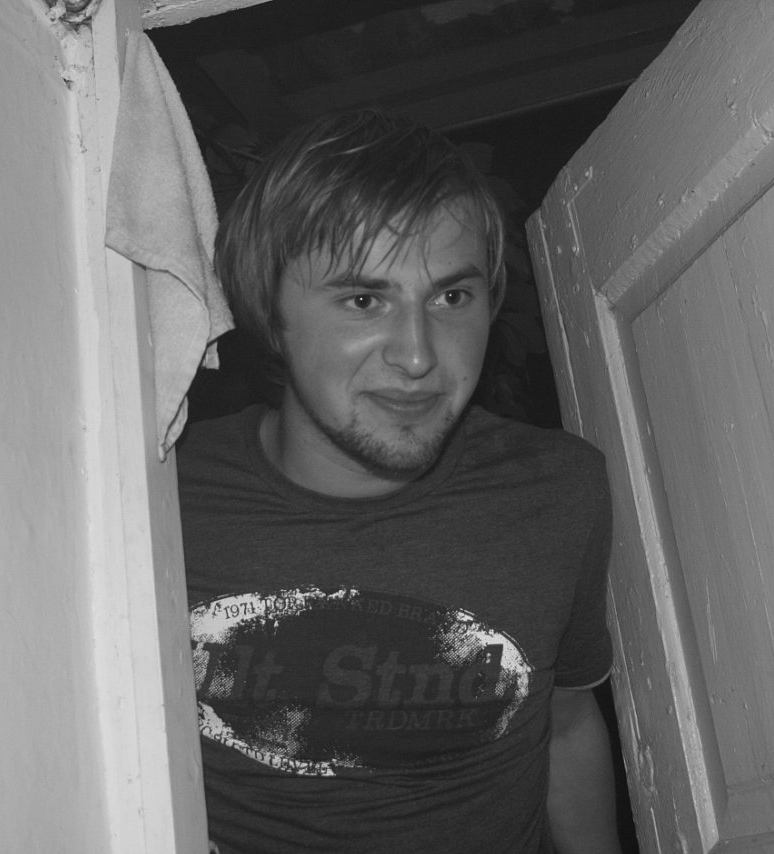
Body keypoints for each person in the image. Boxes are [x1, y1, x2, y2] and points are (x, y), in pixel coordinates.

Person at [178, 108, 622, 854]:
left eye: (452, 297)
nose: (418, 356)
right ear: (270, 313)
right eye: (364, 300)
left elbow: (568, 723)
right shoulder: (161, 498)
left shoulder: (558, 490)